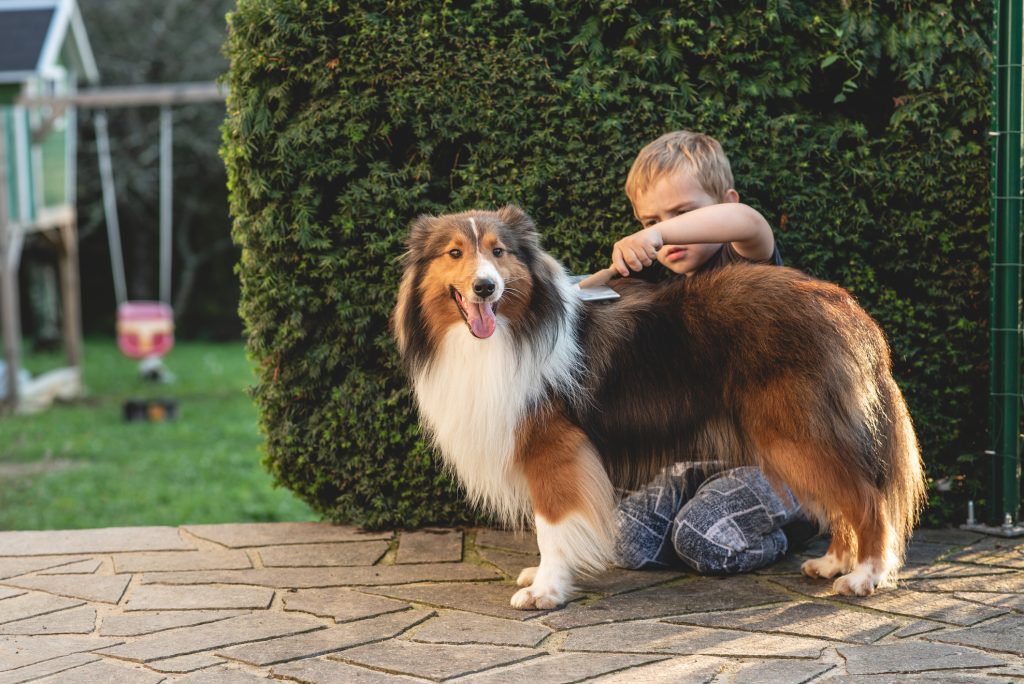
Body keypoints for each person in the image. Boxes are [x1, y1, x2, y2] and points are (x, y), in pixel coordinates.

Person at [608, 130, 818, 574]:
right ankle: (707, 531)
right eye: (649, 223)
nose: (664, 236)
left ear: (725, 200)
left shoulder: (747, 263)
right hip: (703, 460)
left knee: (702, 539)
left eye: (683, 214)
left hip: (775, 460)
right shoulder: (656, 288)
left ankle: (798, 527)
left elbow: (749, 222)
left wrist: (658, 233)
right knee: (626, 540)